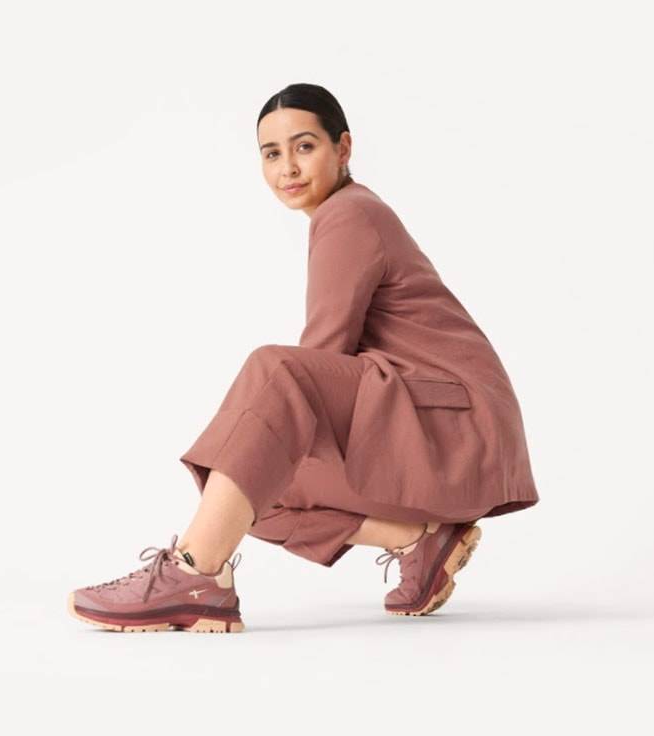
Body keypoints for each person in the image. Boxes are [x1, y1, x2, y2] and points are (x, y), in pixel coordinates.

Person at [67, 83, 540, 633]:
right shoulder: (343, 213)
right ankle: (419, 540)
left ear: (343, 148)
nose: (287, 168)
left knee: (270, 386)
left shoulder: (350, 213)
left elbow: (320, 354)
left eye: (305, 147)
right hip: (429, 423)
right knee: (238, 481)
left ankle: (193, 572)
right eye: (271, 154)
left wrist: (264, 437)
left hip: (456, 427)